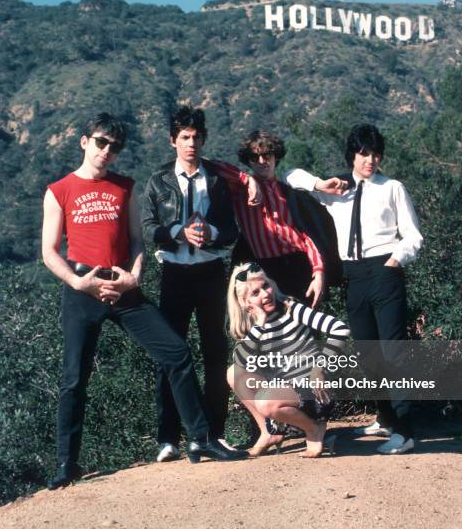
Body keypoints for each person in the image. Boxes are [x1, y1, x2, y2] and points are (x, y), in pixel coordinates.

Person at [42, 113, 247, 489]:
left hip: (123, 287)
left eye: (114, 146)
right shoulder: (59, 189)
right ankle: (66, 463)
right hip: (81, 289)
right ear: (84, 141)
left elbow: (138, 241)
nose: (107, 152)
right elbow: (49, 251)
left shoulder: (126, 187)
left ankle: (200, 440)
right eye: (101, 143)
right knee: (74, 379)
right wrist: (78, 282)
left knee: (176, 353)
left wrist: (134, 276)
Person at [285, 123, 423, 454]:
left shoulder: (392, 187)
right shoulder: (337, 189)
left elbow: (414, 236)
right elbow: (291, 176)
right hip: (353, 277)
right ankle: (386, 418)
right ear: (353, 155)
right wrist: (320, 184)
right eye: (364, 153)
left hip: (384, 271)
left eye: (376, 154)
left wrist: (395, 260)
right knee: (367, 352)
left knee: (393, 352)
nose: (370, 160)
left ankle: (404, 433)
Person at [141, 105, 247, 461]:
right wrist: (177, 232)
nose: (191, 144)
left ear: (203, 139)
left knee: (215, 353)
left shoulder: (216, 181)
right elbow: (146, 226)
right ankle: (167, 438)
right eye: (184, 137)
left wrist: (211, 232)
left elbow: (232, 229)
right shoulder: (159, 181)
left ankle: (212, 434)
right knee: (170, 354)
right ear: (173, 141)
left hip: (210, 273)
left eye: (196, 137)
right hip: (174, 273)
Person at [227, 262, 350, 458]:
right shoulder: (255, 325)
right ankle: (269, 433)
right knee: (234, 373)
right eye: (255, 293)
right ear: (245, 303)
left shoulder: (291, 308)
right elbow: (241, 361)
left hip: (315, 388)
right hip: (288, 388)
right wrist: (259, 324)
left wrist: (319, 368)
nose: (265, 294)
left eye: (265, 286)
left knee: (265, 402)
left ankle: (313, 429)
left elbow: (339, 329)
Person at [212, 131, 346, 307]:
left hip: (300, 265)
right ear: (248, 160)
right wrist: (247, 179)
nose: (261, 161)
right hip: (266, 270)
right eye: (254, 157)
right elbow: (211, 166)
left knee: (307, 327)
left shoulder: (288, 191)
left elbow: (306, 237)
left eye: (267, 155)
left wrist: (319, 272)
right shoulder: (241, 192)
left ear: (276, 156)